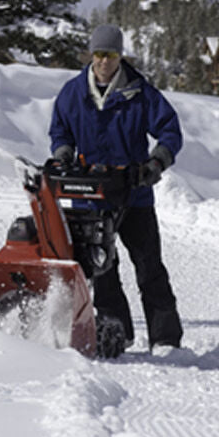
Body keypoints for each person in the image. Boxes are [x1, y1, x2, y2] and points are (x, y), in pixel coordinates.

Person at [48, 23, 184, 350]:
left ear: (120, 56)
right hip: (92, 198)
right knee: (102, 270)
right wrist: (63, 153)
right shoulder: (73, 93)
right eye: (99, 54)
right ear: (91, 54)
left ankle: (166, 339)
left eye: (110, 55)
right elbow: (60, 130)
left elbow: (170, 131)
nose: (104, 61)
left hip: (134, 194)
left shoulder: (140, 93)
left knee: (149, 268)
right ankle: (115, 335)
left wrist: (156, 163)